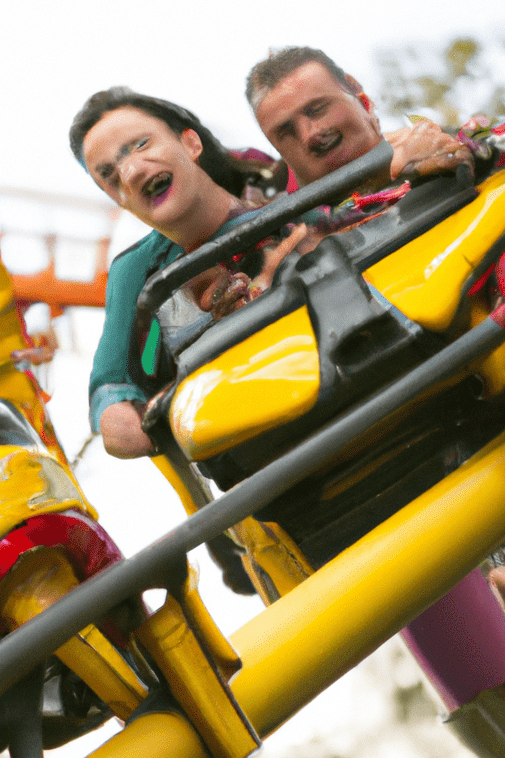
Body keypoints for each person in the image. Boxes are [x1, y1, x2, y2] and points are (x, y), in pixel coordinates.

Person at [70, 87, 304, 459]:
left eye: (141, 144)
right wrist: (117, 416)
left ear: (190, 144)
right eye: (110, 175)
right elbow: (113, 385)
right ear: (117, 198)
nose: (130, 171)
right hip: (269, 441)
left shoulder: (279, 188)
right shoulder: (138, 272)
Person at [245, 46, 474, 190]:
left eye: (316, 109)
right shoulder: (281, 241)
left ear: (359, 96)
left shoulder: (463, 143)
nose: (309, 135)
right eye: (287, 131)